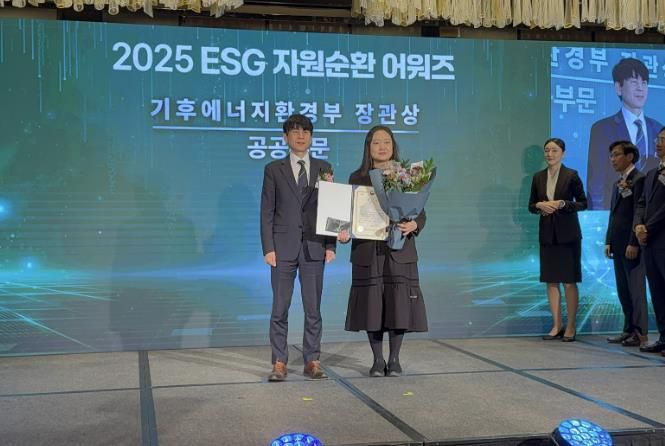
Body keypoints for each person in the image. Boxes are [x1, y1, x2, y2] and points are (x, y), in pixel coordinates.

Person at [338, 125, 427, 377]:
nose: (382, 147)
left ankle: (394, 359)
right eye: (376, 142)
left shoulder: (406, 175)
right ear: (368, 147)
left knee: (398, 304)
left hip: (399, 248)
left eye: (386, 142)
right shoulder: (357, 178)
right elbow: (349, 215)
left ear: (393, 146)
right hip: (368, 249)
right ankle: (378, 360)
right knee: (372, 305)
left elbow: (420, 211)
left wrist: (415, 224)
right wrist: (343, 232)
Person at [260, 114, 336, 381]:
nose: (301, 136)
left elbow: (332, 209)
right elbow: (267, 211)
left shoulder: (324, 168)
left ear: (311, 137)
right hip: (282, 248)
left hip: (314, 246)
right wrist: (268, 247)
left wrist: (331, 244)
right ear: (285, 137)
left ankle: (312, 360)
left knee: (313, 308)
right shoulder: (273, 169)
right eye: (295, 131)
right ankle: (279, 361)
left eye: (305, 131)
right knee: (279, 308)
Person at [528, 138, 588, 342]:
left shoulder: (571, 175)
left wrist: (563, 203)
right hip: (547, 235)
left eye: (554, 150)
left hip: (568, 235)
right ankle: (556, 325)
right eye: (547, 150)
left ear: (563, 153)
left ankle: (570, 326)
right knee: (551, 280)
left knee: (569, 281)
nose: (549, 154)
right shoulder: (538, 177)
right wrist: (539, 206)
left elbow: (583, 203)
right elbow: (531, 205)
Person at [587, 58, 662, 210]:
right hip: (617, 210)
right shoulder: (602, 129)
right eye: (634, 82)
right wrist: (599, 216)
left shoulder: (658, 129)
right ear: (618, 87)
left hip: (653, 211)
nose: (640, 88)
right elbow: (596, 179)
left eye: (644, 83)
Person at [604, 141, 648, 347]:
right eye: (611, 155)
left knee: (635, 290)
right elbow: (614, 215)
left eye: (616, 155)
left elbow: (639, 214)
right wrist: (609, 241)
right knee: (623, 289)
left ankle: (640, 332)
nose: (612, 159)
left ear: (629, 156)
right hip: (618, 244)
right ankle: (628, 329)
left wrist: (634, 242)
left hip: (632, 245)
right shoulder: (618, 182)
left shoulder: (640, 179)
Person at [634, 127, 665, 355]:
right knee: (657, 291)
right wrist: (638, 225)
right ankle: (663, 337)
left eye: (663, 140)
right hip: (649, 243)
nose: (658, 143)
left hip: (661, 237)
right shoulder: (652, 173)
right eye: (658, 139)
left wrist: (648, 227)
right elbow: (641, 203)